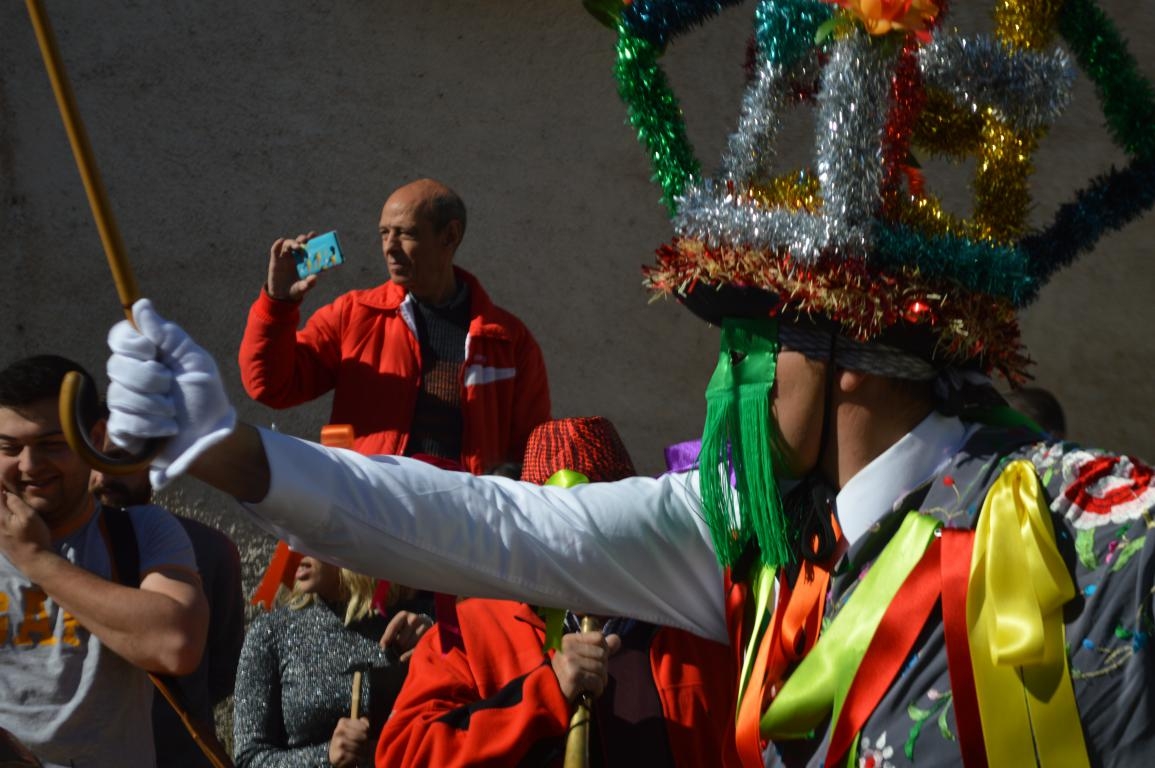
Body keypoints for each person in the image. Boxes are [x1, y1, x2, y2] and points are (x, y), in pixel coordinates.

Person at [101, 3, 1155, 766]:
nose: (724, 379)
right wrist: (231, 451)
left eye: (752, 342)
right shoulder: (751, 541)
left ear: (844, 362)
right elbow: (492, 526)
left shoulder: (1085, 529)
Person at [378, 417, 738, 767]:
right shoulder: (469, 633)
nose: (581, 545)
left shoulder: (694, 615)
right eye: (560, 524)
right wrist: (546, 691)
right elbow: (404, 755)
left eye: (601, 519)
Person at [238, 177, 551, 472]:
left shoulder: (509, 341)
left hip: (461, 521)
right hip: (367, 511)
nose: (389, 246)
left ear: (450, 236)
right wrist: (278, 303)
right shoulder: (354, 315)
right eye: (384, 233)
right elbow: (270, 386)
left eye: (406, 233)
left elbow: (532, 454)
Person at [0, 355, 208, 768]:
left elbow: (176, 645)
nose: (29, 466)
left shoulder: (143, 530)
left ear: (94, 439)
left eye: (51, 445)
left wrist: (38, 560)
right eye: (9, 448)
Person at [89, 430, 245, 768]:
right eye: (89, 458)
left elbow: (223, 668)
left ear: (150, 461)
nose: (103, 475)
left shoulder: (212, 551)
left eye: (119, 457)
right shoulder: (51, 555)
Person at [233, 554, 432, 767]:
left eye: (311, 533)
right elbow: (249, 758)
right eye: (291, 537)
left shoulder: (419, 622)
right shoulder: (271, 632)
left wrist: (435, 642)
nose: (295, 549)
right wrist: (325, 757)